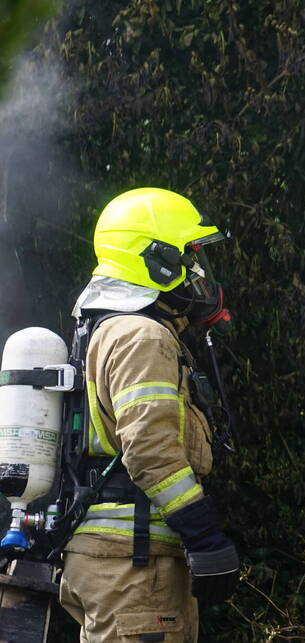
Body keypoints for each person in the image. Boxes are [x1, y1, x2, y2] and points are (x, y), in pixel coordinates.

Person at [58, 187, 239, 642]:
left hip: (118, 562)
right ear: (156, 260)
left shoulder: (106, 329)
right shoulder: (141, 336)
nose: (198, 274)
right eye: (190, 258)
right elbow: (150, 450)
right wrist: (204, 533)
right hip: (133, 566)